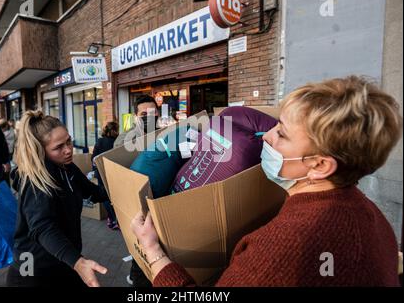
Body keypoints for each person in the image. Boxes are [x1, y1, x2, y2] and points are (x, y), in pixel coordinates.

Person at [131, 76, 402, 287]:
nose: (267, 136)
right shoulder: (373, 216)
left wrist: (154, 252)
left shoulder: (284, 246)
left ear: (319, 165)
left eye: (282, 134)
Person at [6, 111, 108, 287]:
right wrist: (78, 262)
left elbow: (93, 192)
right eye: (58, 147)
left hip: (62, 260)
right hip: (30, 268)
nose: (68, 150)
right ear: (40, 150)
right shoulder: (37, 179)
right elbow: (41, 227)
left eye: (68, 141)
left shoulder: (67, 167)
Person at [114, 95, 159, 287]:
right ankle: (138, 278)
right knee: (141, 248)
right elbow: (118, 158)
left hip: (161, 197)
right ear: (135, 116)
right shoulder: (126, 138)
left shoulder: (167, 132)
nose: (149, 118)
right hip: (139, 204)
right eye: (144, 115)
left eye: (153, 113)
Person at [91, 121, 119, 230]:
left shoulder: (100, 141)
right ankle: (118, 219)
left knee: (105, 196)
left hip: (101, 172)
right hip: (114, 172)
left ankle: (112, 220)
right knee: (115, 196)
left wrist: (94, 170)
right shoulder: (117, 142)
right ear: (114, 130)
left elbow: (93, 158)